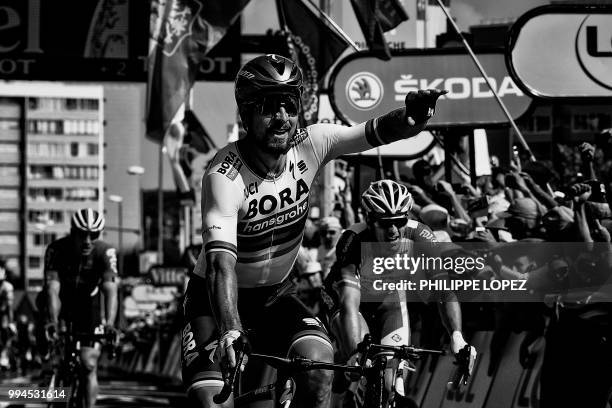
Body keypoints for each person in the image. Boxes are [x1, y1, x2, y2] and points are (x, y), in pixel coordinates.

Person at [182, 53, 448, 408]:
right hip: (215, 304)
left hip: (274, 296)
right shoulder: (223, 176)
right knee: (212, 403)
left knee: (319, 365)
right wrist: (231, 328)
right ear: (245, 113)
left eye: (289, 106)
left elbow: (376, 130)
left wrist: (410, 119)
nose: (281, 118)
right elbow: (219, 265)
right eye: (268, 107)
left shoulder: (312, 142)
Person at [324, 180, 476, 408]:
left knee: (388, 383)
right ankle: (337, 397)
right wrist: (355, 352)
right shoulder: (354, 239)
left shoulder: (420, 235)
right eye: (385, 224)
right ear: (370, 221)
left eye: (399, 221)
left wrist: (456, 335)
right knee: (357, 362)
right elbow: (349, 304)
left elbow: (444, 289)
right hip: (348, 300)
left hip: (389, 300)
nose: (393, 230)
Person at [43, 208, 118, 408]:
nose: (87, 240)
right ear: (72, 232)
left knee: (88, 364)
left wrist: (109, 324)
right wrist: (52, 321)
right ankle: (54, 381)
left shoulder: (105, 252)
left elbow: (110, 289)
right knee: (55, 352)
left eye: (93, 235)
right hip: (61, 304)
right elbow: (52, 289)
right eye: (81, 234)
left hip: (89, 308)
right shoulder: (56, 249)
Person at [0, 259, 15, 370]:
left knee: (5, 336)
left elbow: (9, 307)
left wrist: (11, 322)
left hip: (3, 317)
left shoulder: (7, 287)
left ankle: (4, 357)